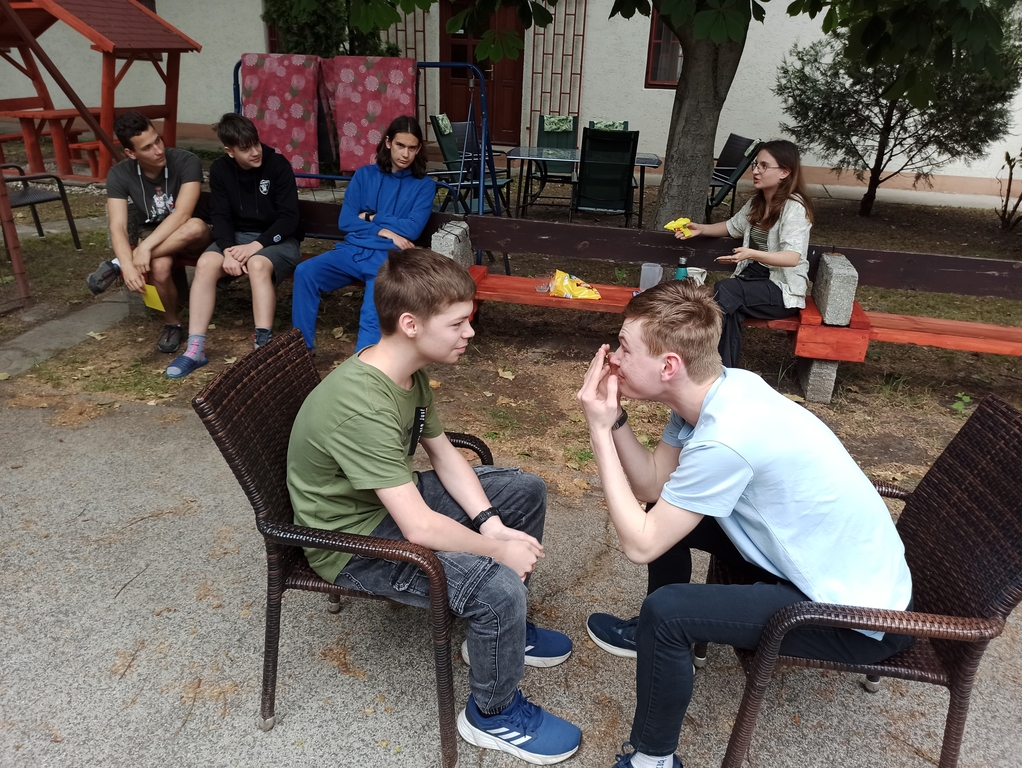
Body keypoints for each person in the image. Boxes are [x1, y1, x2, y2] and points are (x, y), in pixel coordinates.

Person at [576, 280, 913, 768]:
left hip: (855, 617)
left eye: (625, 348)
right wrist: (615, 420)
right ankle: (663, 645)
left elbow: (640, 546)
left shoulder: (726, 438)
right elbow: (652, 487)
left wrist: (597, 430)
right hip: (820, 566)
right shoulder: (721, 389)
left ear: (669, 366)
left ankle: (653, 758)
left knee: (667, 613)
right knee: (665, 518)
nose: (614, 358)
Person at [287, 248, 581, 765]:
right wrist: (498, 551)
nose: (470, 332)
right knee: (497, 587)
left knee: (525, 490)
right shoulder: (363, 405)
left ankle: (497, 636)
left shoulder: (406, 371)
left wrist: (492, 524)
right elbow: (419, 526)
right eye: (458, 323)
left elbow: (445, 456)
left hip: (386, 502)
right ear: (411, 324)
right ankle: (492, 714)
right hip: (350, 541)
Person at [165, 114, 303, 379]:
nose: (255, 152)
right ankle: (195, 349)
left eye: (256, 144)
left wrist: (255, 246)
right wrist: (228, 249)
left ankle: (262, 348)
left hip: (279, 240)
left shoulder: (277, 165)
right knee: (206, 263)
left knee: (257, 263)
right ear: (230, 151)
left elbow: (289, 219)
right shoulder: (220, 170)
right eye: (245, 148)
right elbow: (220, 216)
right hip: (237, 240)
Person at [291, 115, 436, 352]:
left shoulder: (424, 185)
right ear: (388, 142)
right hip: (352, 251)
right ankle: (301, 351)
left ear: (418, 149)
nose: (405, 154)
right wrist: (386, 230)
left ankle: (364, 364)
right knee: (305, 272)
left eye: (412, 148)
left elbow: (412, 228)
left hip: (387, 257)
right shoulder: (364, 175)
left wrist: (371, 217)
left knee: (371, 311)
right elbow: (346, 221)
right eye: (400, 145)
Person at [677, 139, 814, 368]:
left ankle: (698, 356)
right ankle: (723, 370)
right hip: (753, 280)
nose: (756, 171)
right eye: (755, 164)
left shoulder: (794, 208)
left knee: (725, 291)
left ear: (785, 172)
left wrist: (751, 254)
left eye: (764, 166)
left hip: (781, 290)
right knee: (729, 306)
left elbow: (792, 258)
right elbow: (732, 227)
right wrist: (700, 229)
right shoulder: (756, 203)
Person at [87, 111, 212, 354]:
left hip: (192, 234)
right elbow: (118, 226)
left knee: (195, 227)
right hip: (156, 236)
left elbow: (183, 213)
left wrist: (140, 250)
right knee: (159, 268)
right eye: (147, 148)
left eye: (158, 140)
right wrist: (131, 264)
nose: (158, 150)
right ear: (131, 153)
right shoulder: (119, 173)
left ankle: (116, 265)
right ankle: (172, 323)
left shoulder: (186, 160)